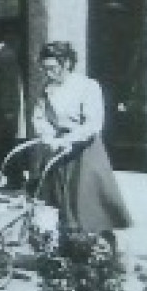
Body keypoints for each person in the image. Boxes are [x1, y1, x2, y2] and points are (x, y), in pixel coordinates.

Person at [31, 41, 131, 237]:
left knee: (90, 207)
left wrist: (70, 139)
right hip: (57, 152)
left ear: (66, 63)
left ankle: (102, 252)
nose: (48, 73)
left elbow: (93, 123)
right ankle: (67, 248)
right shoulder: (47, 88)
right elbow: (39, 116)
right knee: (59, 205)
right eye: (45, 68)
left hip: (84, 151)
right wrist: (48, 135)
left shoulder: (86, 86)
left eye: (52, 68)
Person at [0, 33, 29, 187]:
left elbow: (8, 86)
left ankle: (15, 178)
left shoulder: (5, 56)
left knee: (8, 143)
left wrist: (7, 110)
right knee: (4, 144)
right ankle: (12, 176)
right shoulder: (0, 55)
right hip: (0, 110)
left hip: (4, 111)